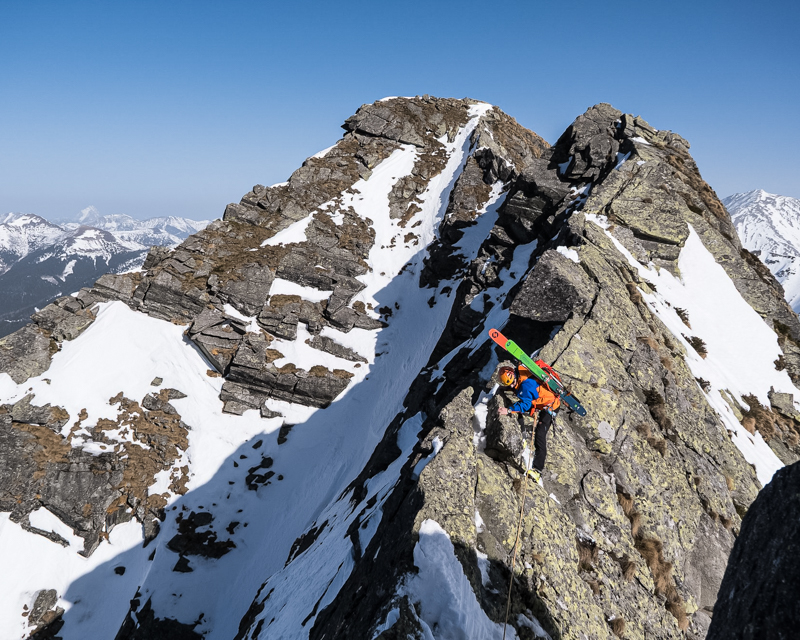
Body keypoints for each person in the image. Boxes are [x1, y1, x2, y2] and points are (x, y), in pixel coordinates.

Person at [497, 365, 560, 483]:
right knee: (517, 409)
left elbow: (525, 405)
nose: (511, 386)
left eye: (512, 383)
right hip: (542, 402)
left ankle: (537, 470)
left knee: (540, 434)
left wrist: (509, 410)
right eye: (508, 384)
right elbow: (519, 388)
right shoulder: (521, 374)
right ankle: (523, 437)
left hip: (551, 406)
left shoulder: (525, 386)